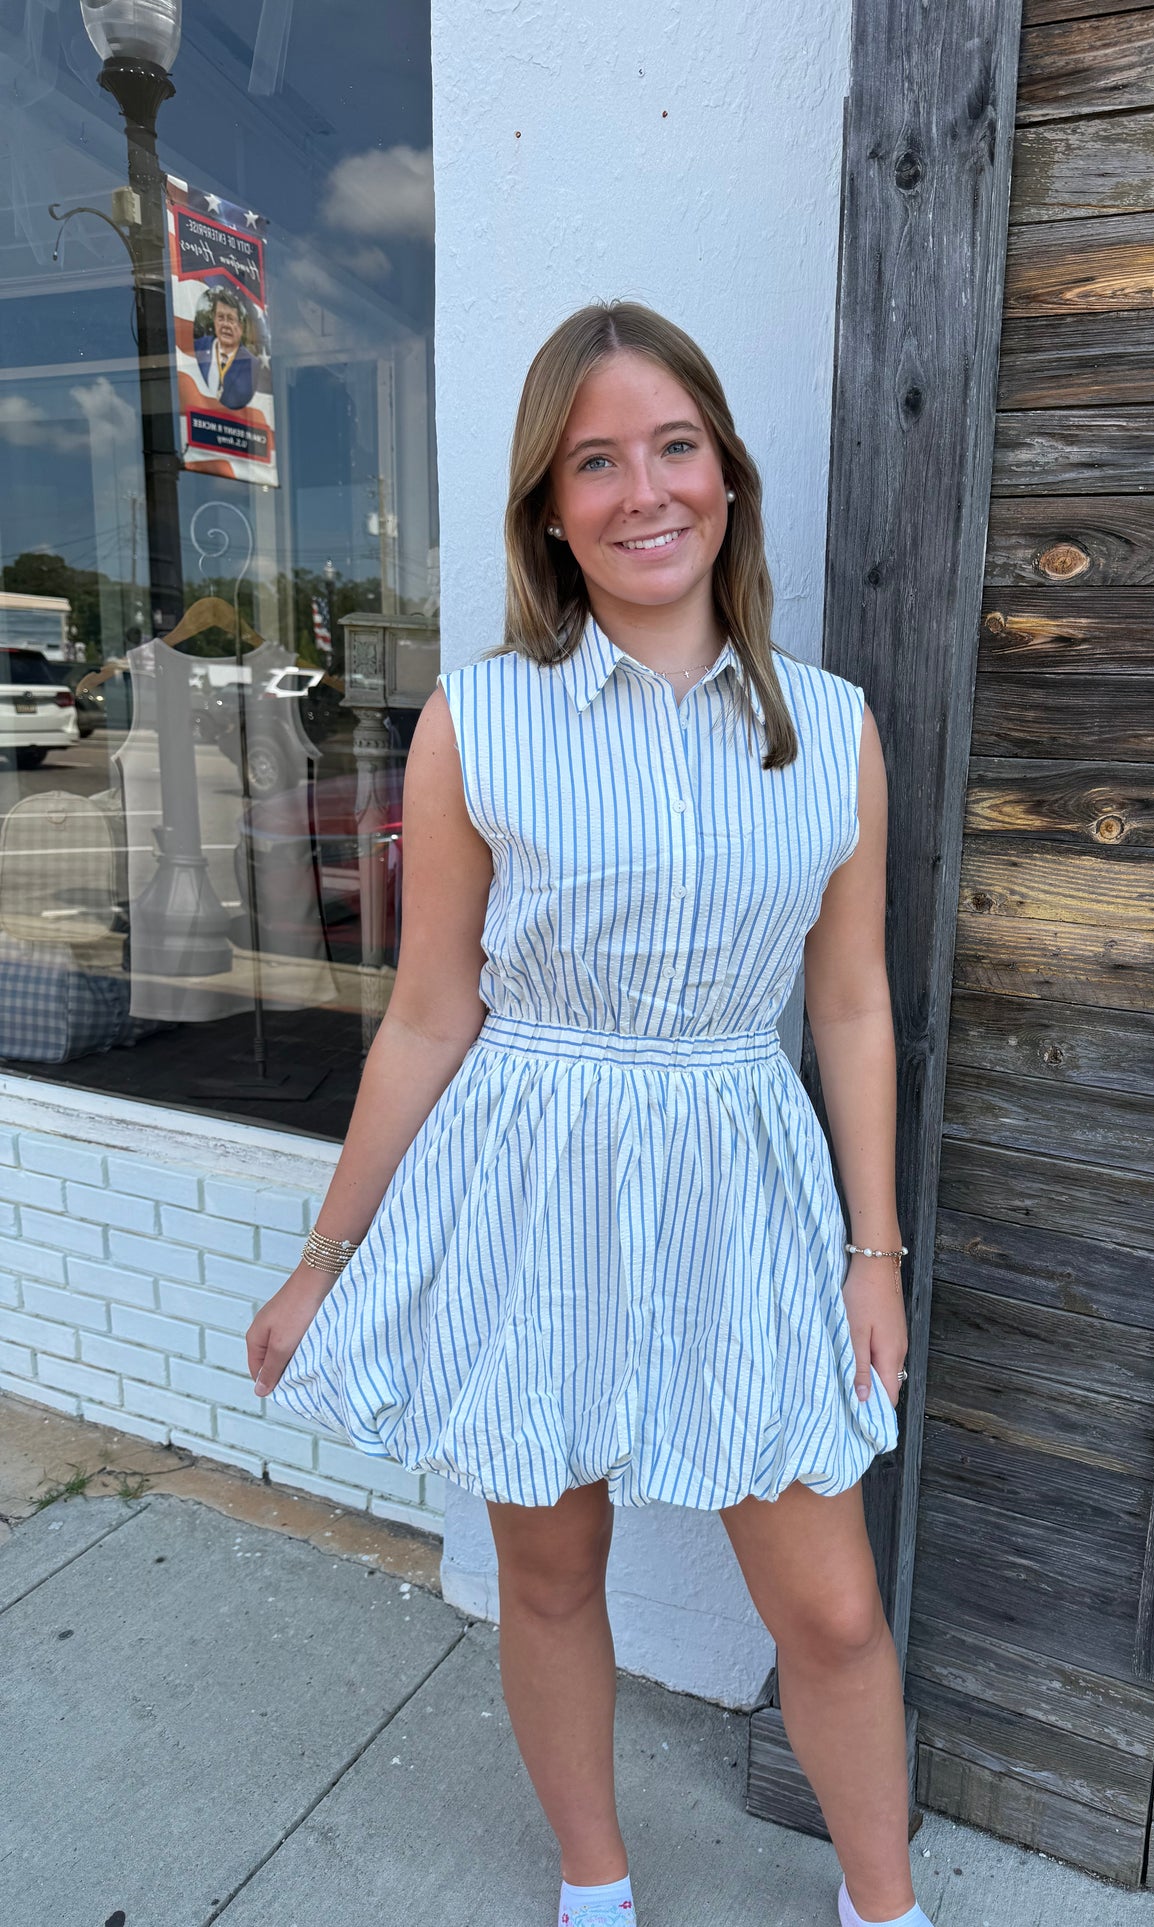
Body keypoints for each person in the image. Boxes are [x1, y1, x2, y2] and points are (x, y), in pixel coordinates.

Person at [246, 299, 930, 1927]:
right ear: (551, 508)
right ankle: (596, 1890)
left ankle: (885, 1910)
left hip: (740, 1168)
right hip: (531, 1167)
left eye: (674, 447)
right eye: (595, 460)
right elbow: (428, 1011)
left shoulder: (828, 727)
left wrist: (874, 1250)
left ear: (727, 475)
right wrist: (327, 1256)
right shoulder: (479, 723)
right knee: (551, 1570)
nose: (644, 492)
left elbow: (849, 1004)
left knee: (830, 1610)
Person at [193, 286, 257, 411]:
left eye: (231, 319)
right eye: (221, 318)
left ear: (240, 325)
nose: (225, 325)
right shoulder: (197, 348)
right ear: (214, 319)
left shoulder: (253, 365)